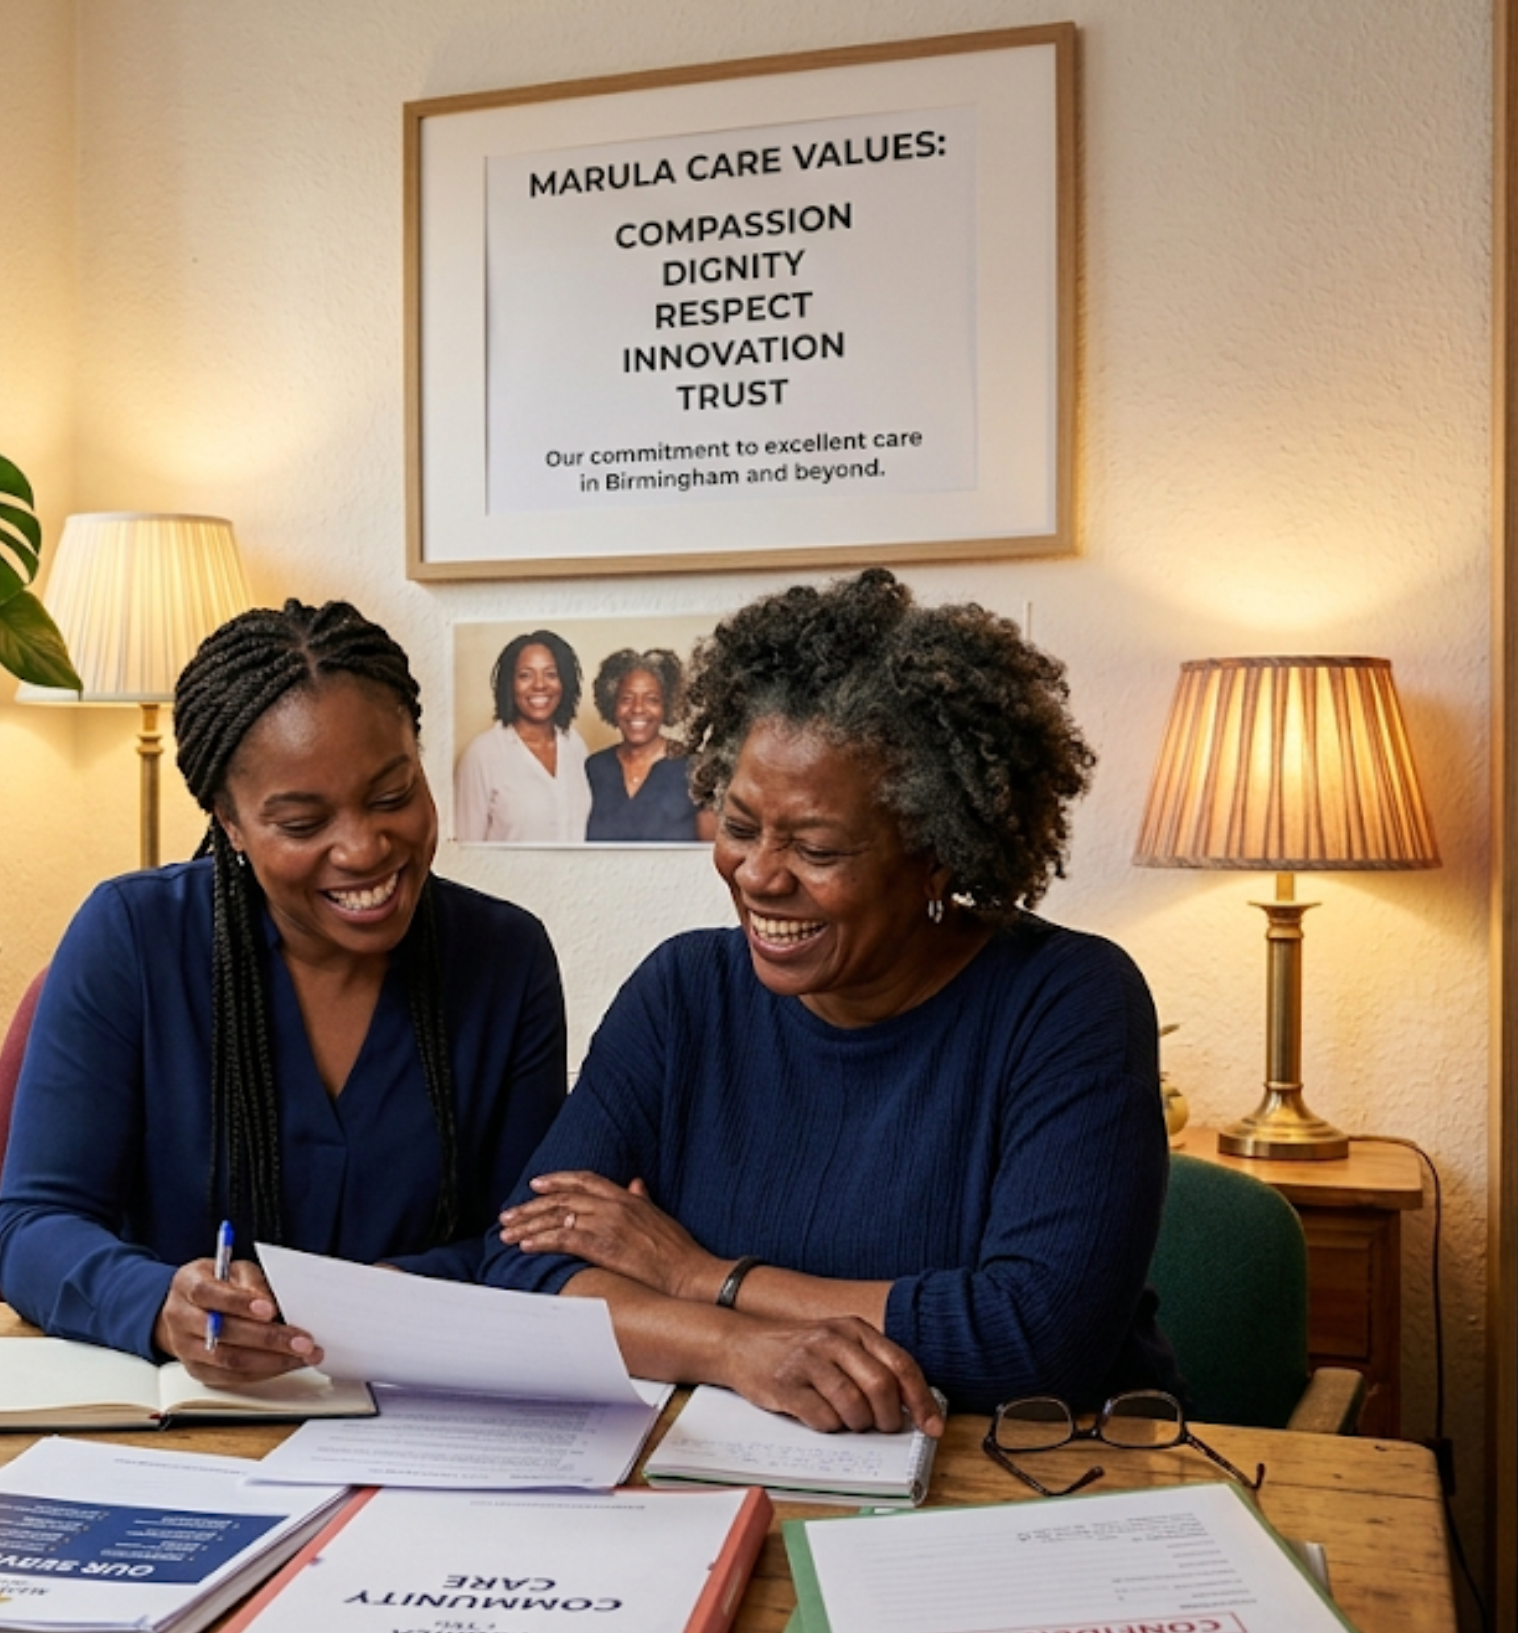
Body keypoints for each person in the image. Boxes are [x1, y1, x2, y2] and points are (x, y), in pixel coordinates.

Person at [483, 569, 1176, 1435]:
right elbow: (525, 1271)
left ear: (937, 853)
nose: (761, 876)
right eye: (739, 829)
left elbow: (1034, 1337)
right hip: (738, 1473)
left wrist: (703, 1278)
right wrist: (738, 1351)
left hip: (1027, 1482)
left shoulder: (1068, 1002)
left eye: (816, 847)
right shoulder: (684, 993)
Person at [0, 599, 570, 1385]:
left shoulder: (507, 959)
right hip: (178, 1425)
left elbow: (524, 1242)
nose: (365, 848)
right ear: (229, 822)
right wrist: (164, 1304)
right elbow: (32, 1227)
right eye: (302, 823)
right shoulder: (131, 938)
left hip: (418, 1412)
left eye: (393, 795)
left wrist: (393, 1295)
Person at [454, 629, 591, 843]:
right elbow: (465, 851)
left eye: (551, 674)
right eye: (525, 675)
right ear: (509, 684)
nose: (539, 685)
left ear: (565, 682)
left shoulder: (575, 744)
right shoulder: (482, 754)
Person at [583, 647, 709, 843]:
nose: (638, 708)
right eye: (627, 699)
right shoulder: (595, 767)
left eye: (651, 699)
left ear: (666, 705)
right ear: (612, 704)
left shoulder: (696, 768)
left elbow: (708, 856)